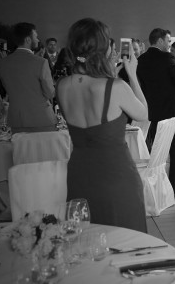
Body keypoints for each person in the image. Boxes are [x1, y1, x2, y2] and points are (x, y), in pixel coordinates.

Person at [56, 18, 148, 232]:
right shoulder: (115, 86)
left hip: (80, 174)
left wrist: (109, 73)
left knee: (87, 239)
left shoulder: (62, 86)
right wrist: (132, 74)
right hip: (115, 175)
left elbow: (87, 87)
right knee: (125, 239)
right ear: (103, 48)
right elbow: (143, 114)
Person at [137, 28, 175, 194]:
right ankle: (173, 188)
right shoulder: (167, 58)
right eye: (168, 41)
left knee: (157, 150)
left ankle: (156, 187)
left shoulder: (141, 60)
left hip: (155, 111)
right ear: (159, 41)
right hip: (174, 109)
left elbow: (142, 86)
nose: (169, 44)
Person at [0, 22, 57, 134]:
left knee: (22, 151)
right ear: (28, 40)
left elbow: (7, 88)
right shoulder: (41, 62)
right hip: (42, 120)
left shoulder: (3, 63)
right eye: (36, 36)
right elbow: (50, 93)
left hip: (16, 120)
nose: (38, 40)